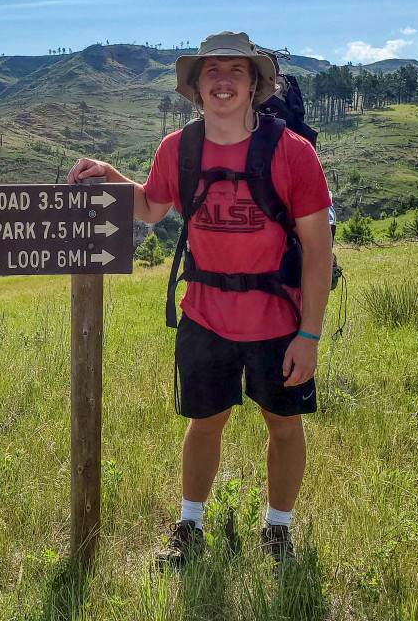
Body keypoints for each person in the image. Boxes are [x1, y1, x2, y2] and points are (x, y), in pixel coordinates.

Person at [68, 32, 333, 567]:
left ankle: (278, 529)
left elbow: (318, 247)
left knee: (283, 424)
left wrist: (309, 334)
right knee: (204, 421)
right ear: (195, 86)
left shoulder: (292, 152)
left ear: (255, 84)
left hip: (277, 318)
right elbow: (150, 208)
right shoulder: (179, 148)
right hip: (204, 314)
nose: (223, 80)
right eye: (212, 71)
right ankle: (190, 525)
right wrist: (110, 177)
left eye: (237, 70)